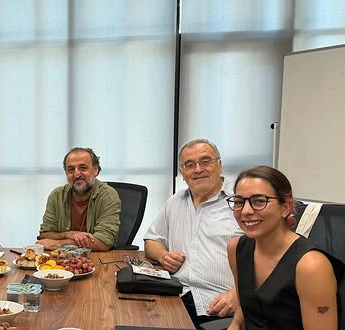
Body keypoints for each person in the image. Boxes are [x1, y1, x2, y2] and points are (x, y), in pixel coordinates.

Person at [227, 165, 341, 330]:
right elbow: (246, 308)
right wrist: (235, 325)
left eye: (259, 201)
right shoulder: (236, 249)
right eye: (239, 202)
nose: (246, 211)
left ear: (286, 207)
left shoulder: (311, 266)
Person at [144, 138, 242, 328]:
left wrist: (238, 293)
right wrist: (163, 255)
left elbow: (269, 259)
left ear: (220, 165)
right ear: (182, 173)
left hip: (220, 306)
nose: (198, 169)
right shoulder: (175, 201)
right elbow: (152, 240)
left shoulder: (241, 203)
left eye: (205, 161)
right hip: (175, 298)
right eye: (189, 165)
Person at [36, 147, 121, 252]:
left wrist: (60, 243)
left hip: (97, 258)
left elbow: (103, 242)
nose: (76, 174)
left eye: (83, 168)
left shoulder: (108, 196)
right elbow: (45, 235)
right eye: (71, 170)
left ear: (96, 170)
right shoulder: (56, 196)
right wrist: (69, 234)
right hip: (61, 259)